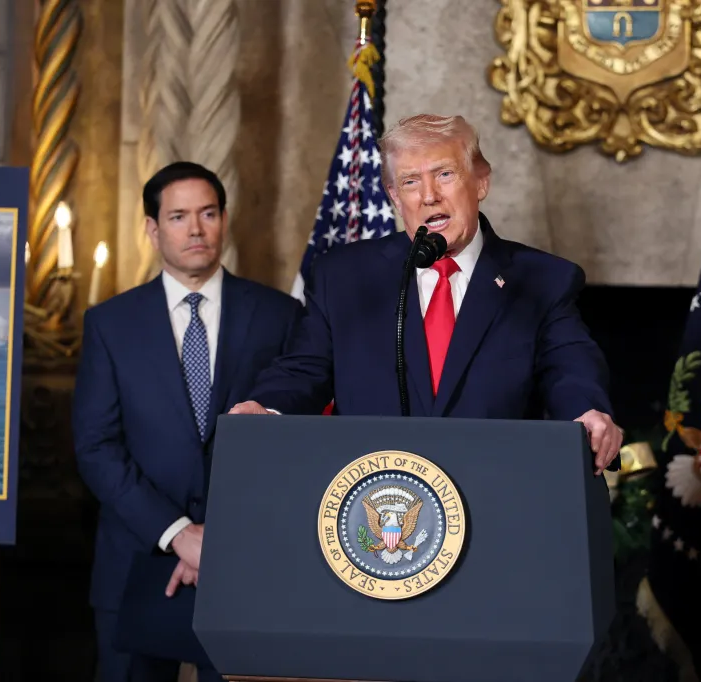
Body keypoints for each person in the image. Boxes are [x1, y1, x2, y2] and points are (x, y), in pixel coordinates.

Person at [230, 114, 622, 471]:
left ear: (481, 180)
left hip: (496, 492)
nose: (428, 195)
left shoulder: (542, 279)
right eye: (410, 182)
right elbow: (304, 369)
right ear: (395, 197)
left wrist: (586, 412)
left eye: (445, 174)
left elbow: (570, 367)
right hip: (377, 504)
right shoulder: (344, 276)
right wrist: (266, 408)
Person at [73, 162, 303, 682]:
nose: (195, 229)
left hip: (246, 563)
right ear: (153, 229)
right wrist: (178, 534)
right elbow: (96, 447)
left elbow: (295, 445)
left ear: (224, 220)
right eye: (178, 216)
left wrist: (218, 538)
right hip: (138, 558)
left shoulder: (280, 316)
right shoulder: (110, 325)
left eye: (208, 213)